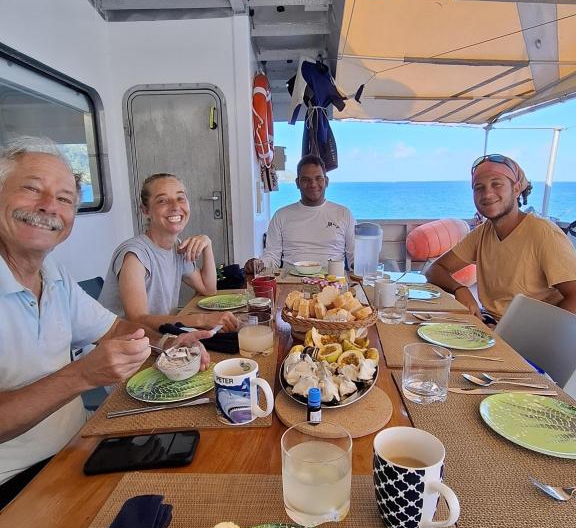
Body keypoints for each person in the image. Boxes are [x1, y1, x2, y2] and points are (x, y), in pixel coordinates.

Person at [0, 139, 209, 506]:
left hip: (79, 447)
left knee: (198, 473)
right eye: (32, 189)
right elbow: (130, 324)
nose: (49, 205)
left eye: (64, 198)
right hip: (17, 481)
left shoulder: (53, 275)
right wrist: (83, 374)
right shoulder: (134, 253)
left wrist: (171, 341)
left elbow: (114, 329)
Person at [426, 154, 576, 320]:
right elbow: (435, 269)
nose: (487, 194)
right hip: (490, 325)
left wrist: (538, 336)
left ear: (517, 189)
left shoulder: (544, 233)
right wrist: (460, 289)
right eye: (479, 187)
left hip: (528, 339)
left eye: (496, 184)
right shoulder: (483, 233)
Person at [100, 173, 238, 332]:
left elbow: (208, 288)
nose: (175, 206)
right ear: (145, 210)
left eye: (180, 198)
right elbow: (137, 320)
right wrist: (201, 320)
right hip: (125, 346)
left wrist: (207, 244)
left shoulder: (177, 247)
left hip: (158, 336)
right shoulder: (134, 256)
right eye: (162, 200)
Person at [245, 155, 355, 273]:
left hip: (333, 283)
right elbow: (272, 257)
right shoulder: (281, 216)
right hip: (291, 284)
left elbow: (354, 257)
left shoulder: (344, 214)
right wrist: (258, 264)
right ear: (297, 183)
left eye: (318, 178)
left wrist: (364, 262)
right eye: (306, 179)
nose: (313, 184)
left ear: (326, 181)